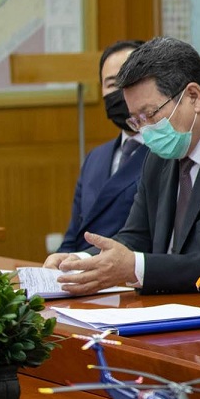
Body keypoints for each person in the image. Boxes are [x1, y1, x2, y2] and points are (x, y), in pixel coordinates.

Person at [43, 36, 200, 294]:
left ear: (193, 97)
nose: (145, 130)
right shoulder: (160, 155)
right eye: (136, 120)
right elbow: (135, 237)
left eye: (150, 114)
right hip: (160, 307)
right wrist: (80, 262)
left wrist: (138, 269)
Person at [57, 40, 151, 253]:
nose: (122, 92)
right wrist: (57, 264)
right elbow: (73, 236)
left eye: (131, 80)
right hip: (80, 267)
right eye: (112, 84)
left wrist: (82, 260)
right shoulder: (95, 158)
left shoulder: (168, 153)